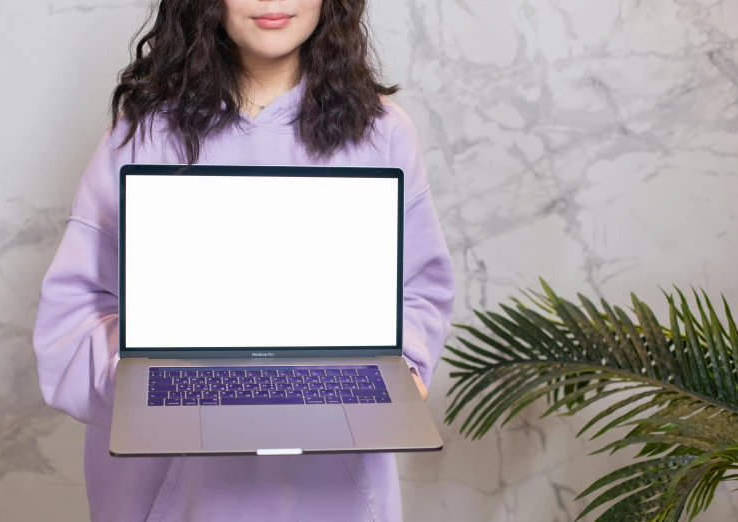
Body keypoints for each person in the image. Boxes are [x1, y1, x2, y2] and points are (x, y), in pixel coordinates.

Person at [32, 0, 455, 520]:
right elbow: (72, 318)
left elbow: (420, 291)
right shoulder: (141, 135)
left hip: (334, 496)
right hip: (170, 497)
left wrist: (403, 366)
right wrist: (147, 376)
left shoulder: (383, 131)